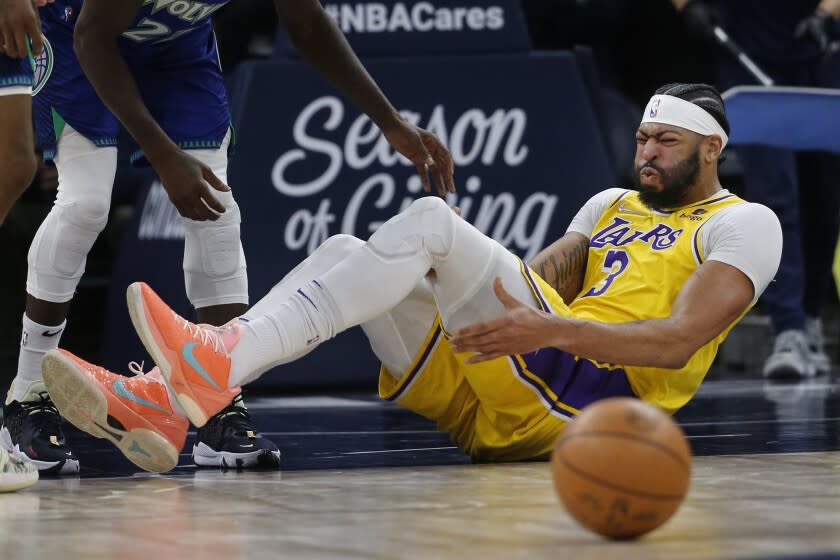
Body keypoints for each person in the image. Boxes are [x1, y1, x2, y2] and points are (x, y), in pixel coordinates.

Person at [42, 83, 781, 466]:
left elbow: (678, 342)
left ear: (710, 150)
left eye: (667, 141)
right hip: (504, 391)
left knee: (432, 224)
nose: (646, 150)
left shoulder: (744, 223)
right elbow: (533, 279)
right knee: (343, 250)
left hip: (591, 403)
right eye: (644, 135)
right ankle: (170, 399)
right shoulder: (612, 201)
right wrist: (436, 284)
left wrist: (548, 324)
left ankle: (200, 371)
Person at [3, 0, 455, 474]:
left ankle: (218, 399)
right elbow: (92, 36)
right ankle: (27, 393)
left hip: (177, 43)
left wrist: (390, 122)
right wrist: (162, 155)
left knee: (218, 212)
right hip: (80, 34)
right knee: (85, 205)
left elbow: (306, 22)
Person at [672, 0, 840, 378]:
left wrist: (826, 13)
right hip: (746, 51)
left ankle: (810, 316)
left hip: (818, 52)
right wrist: (687, 7)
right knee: (775, 197)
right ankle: (788, 330)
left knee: (824, 197)